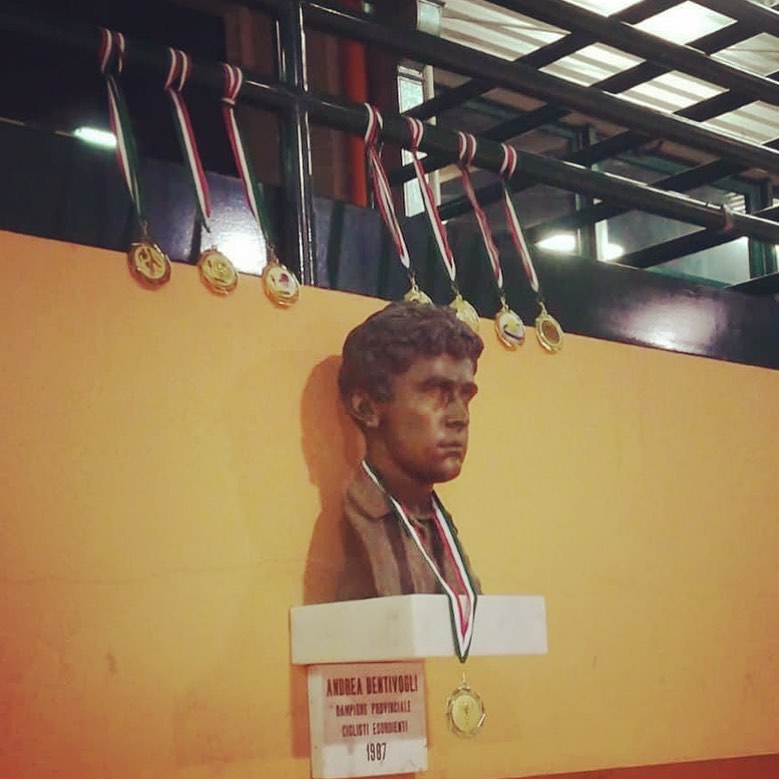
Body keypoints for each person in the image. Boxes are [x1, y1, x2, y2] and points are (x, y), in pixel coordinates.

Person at [336, 301, 483, 600]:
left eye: (465, 397)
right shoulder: (365, 521)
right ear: (366, 407)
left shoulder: (439, 524)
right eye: (437, 393)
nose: (460, 417)